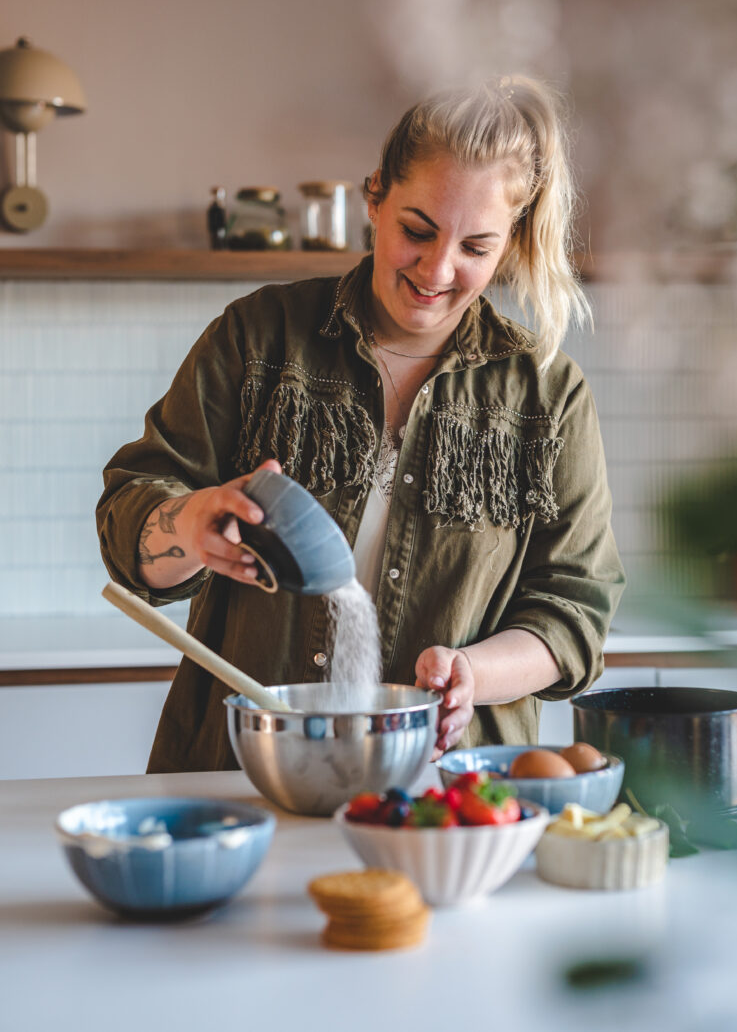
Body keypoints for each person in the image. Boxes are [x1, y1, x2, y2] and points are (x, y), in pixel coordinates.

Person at [97, 75, 625, 773]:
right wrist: (188, 524)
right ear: (373, 197)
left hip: (447, 792)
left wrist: (473, 673)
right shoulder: (258, 341)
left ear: (511, 241)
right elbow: (129, 519)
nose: (438, 269)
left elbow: (574, 611)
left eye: (476, 247)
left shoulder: (547, 396)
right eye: (417, 230)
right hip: (243, 777)